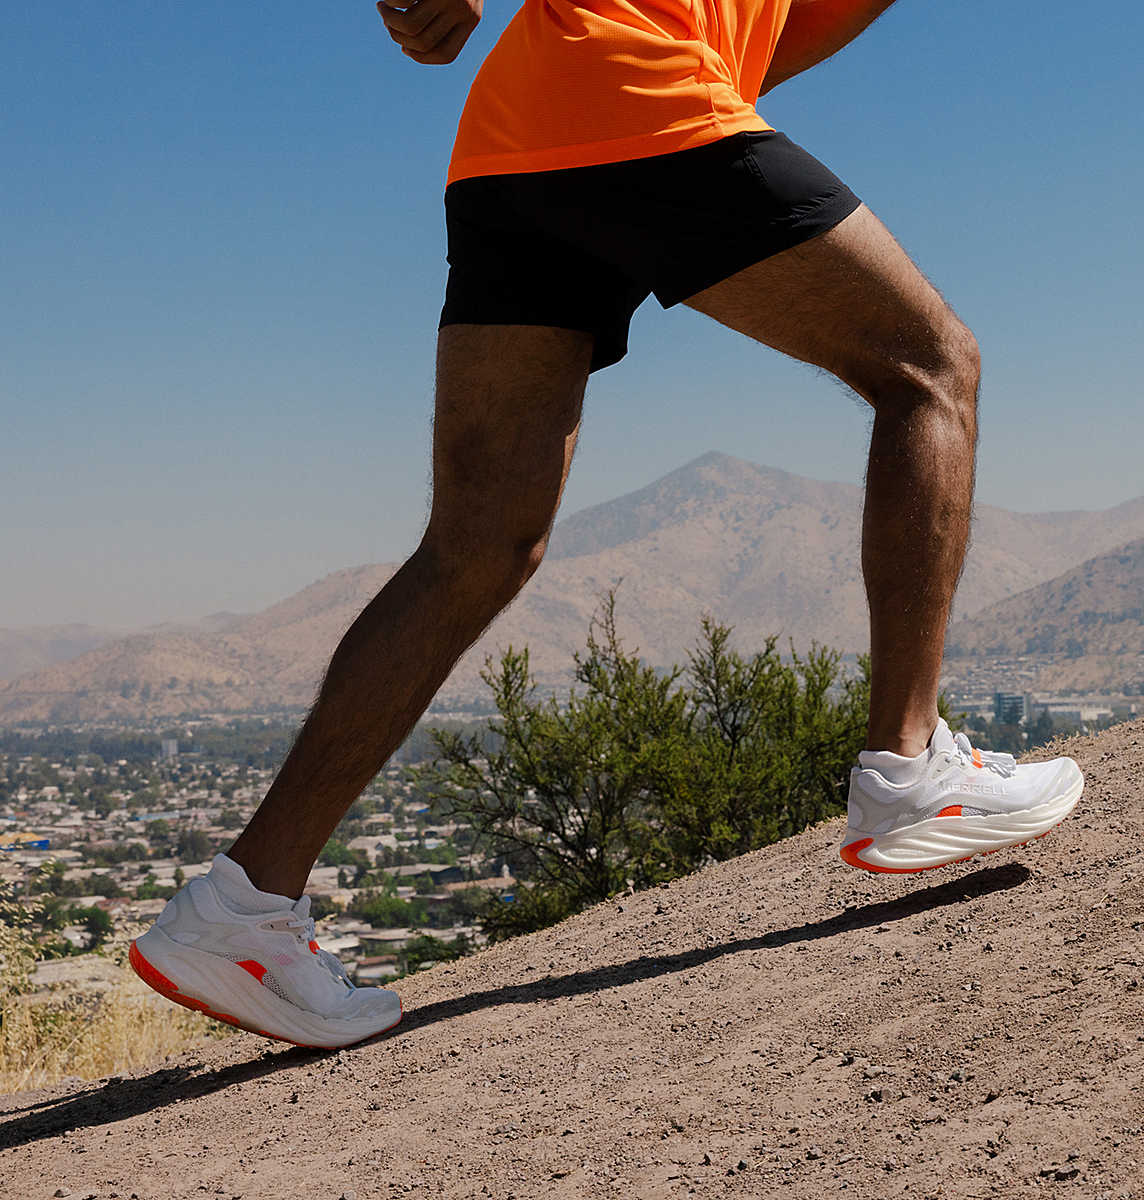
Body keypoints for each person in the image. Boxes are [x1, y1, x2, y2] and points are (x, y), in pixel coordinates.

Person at [130, 0, 1084, 1047]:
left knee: (478, 545)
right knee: (932, 369)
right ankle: (908, 770)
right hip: (634, 90)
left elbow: (786, 28)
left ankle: (241, 909)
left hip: (517, 142)